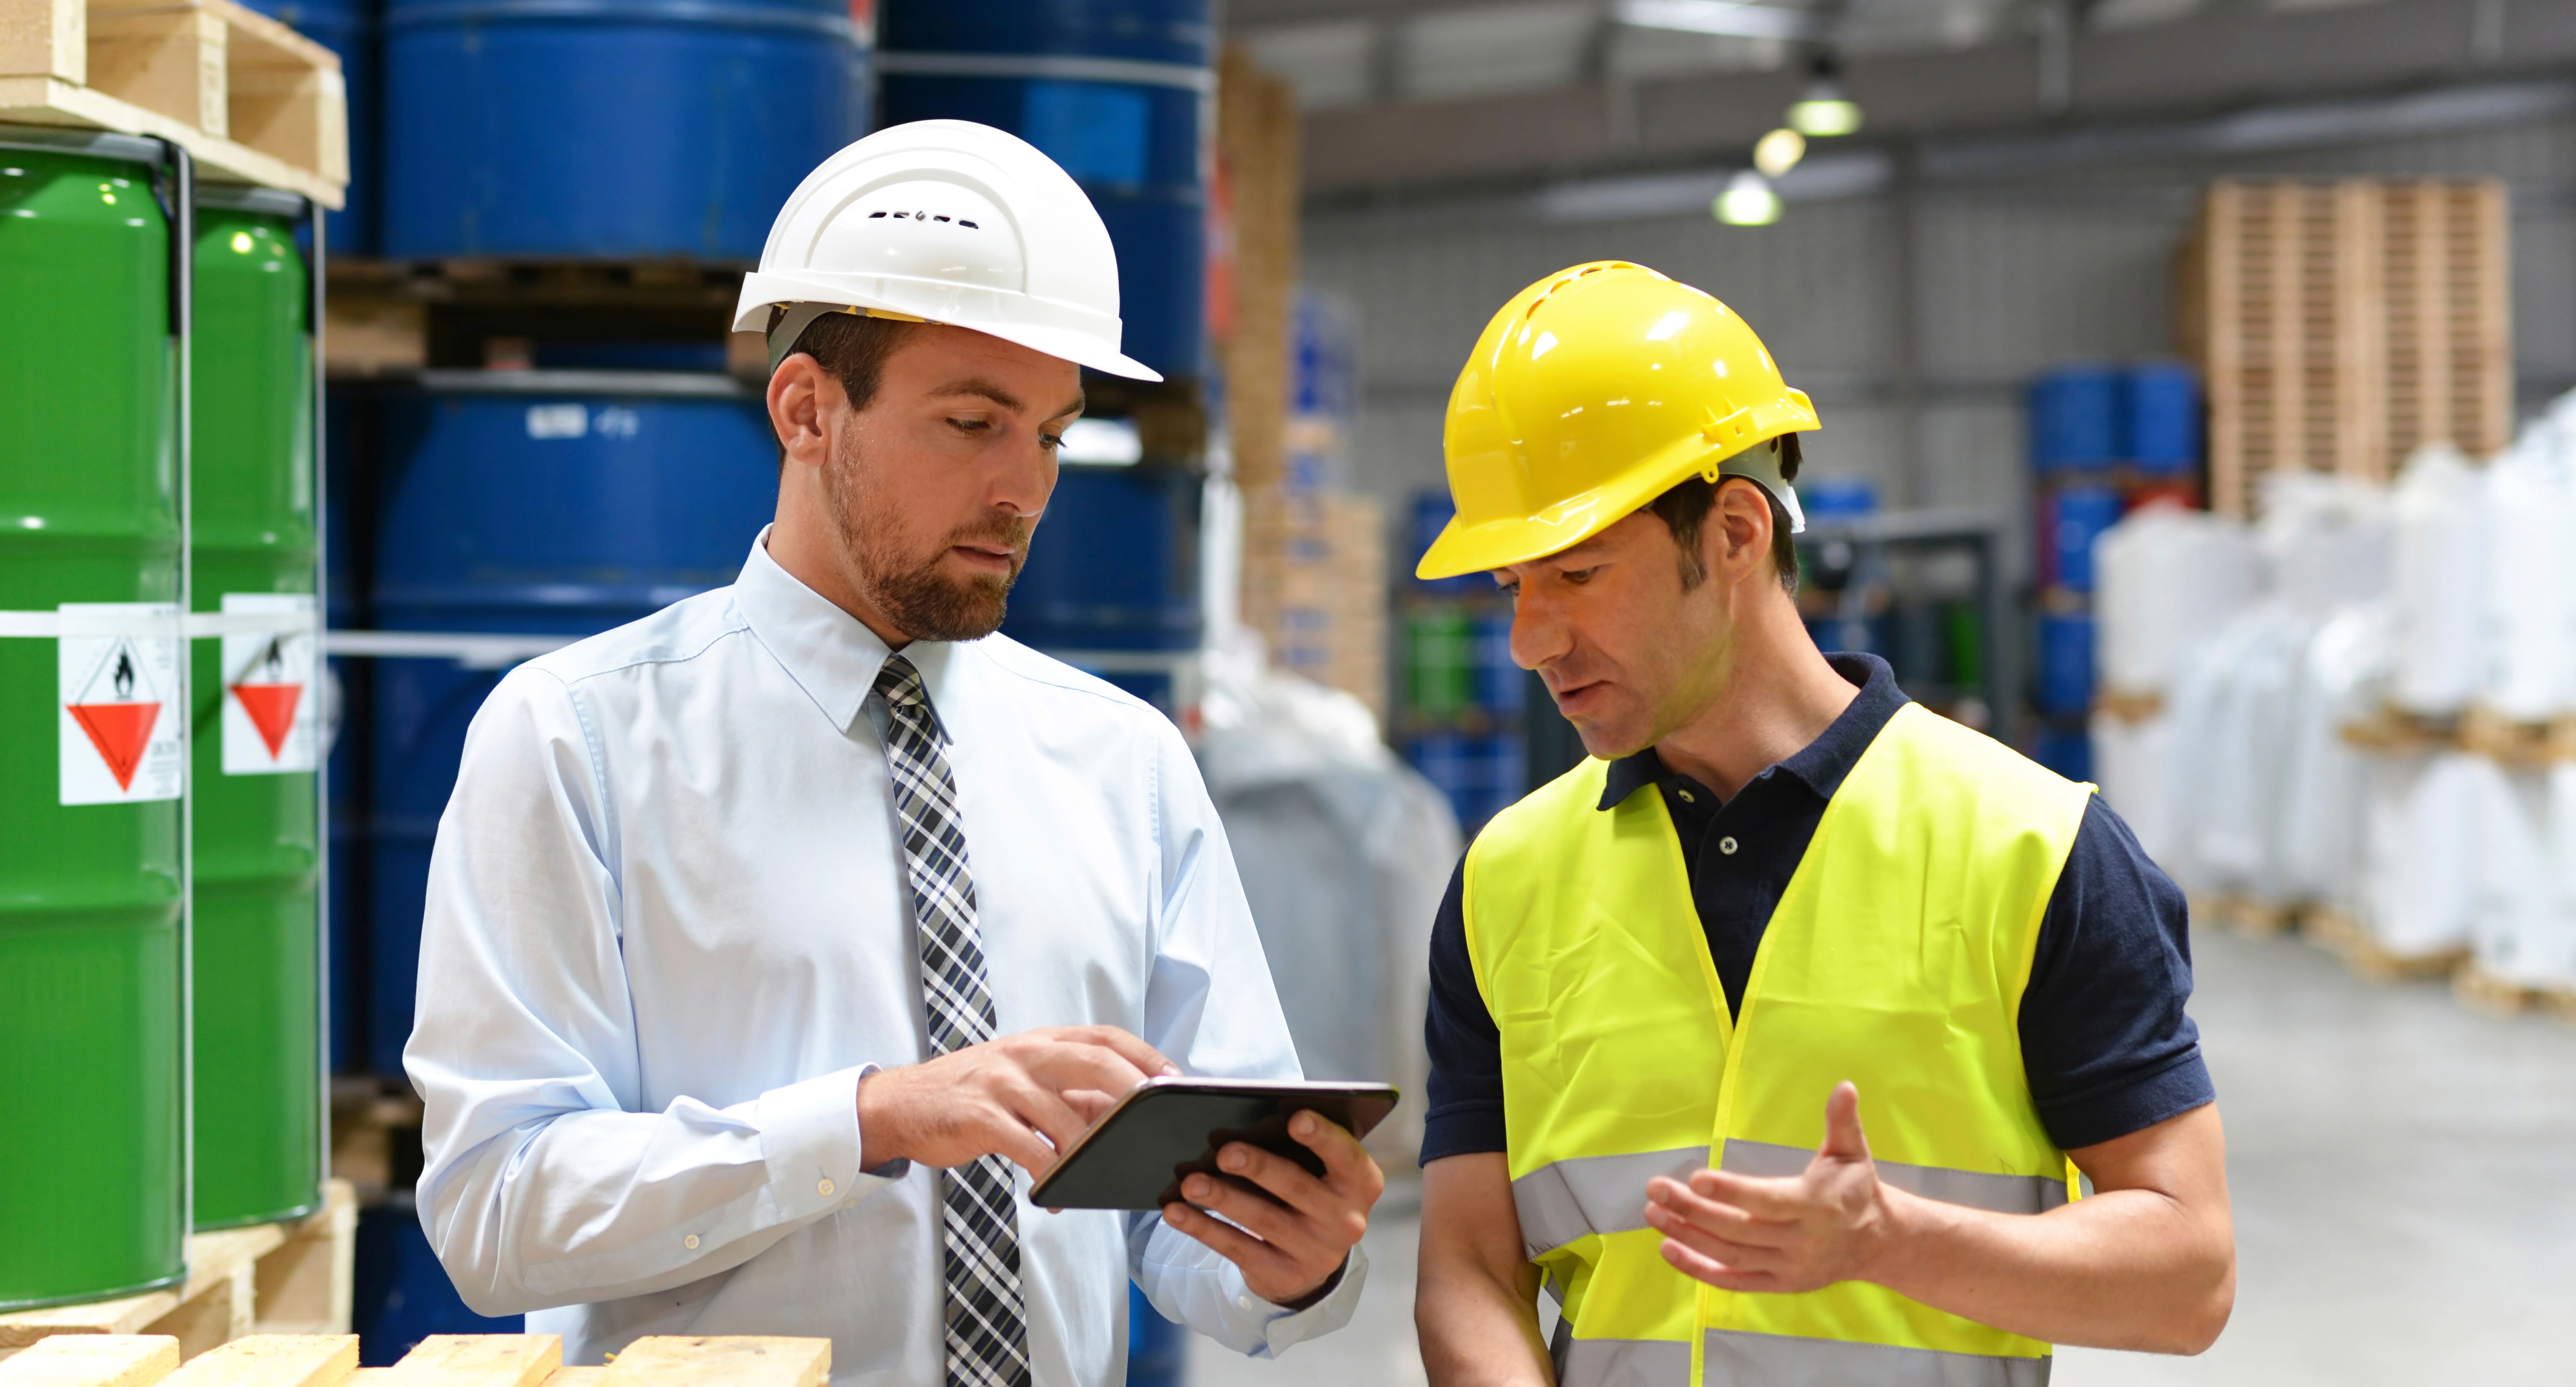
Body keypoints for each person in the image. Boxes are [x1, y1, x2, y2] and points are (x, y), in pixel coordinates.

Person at [407, 120, 1384, 1385]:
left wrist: (1290, 1255)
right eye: (973, 422)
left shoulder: (1121, 761)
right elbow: (496, 1212)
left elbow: (1184, 1224)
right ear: (808, 410)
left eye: (1050, 432)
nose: (1023, 489)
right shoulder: (577, 739)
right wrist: (864, 1120)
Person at [1410, 261, 2233, 1387]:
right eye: (1513, 586)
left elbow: (2188, 1278)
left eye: (1579, 574)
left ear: (1738, 533)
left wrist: (1896, 1244)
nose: (1530, 639)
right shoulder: (1508, 879)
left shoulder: (2035, 852)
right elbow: (1466, 1261)